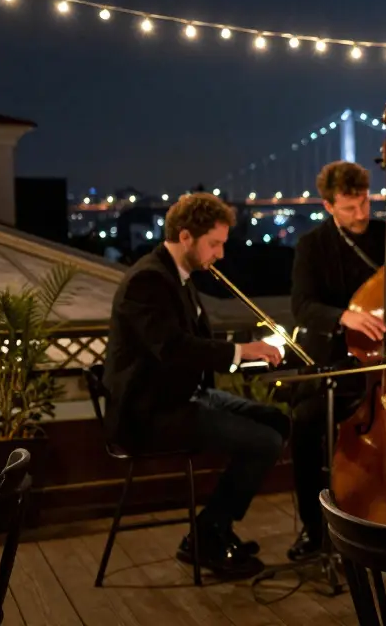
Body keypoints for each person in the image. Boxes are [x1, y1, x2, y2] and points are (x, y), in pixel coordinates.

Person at [103, 193, 288, 579]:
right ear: (186, 237)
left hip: (180, 397)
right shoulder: (149, 280)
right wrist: (240, 350)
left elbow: (194, 345)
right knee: (265, 441)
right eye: (214, 244)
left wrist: (253, 354)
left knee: (276, 422)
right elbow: (172, 349)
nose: (220, 254)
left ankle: (215, 528)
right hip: (149, 413)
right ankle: (206, 535)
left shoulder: (179, 277)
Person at [286, 160, 386, 560]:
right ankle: (313, 528)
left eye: (364, 203)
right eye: (349, 207)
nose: (360, 214)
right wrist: (343, 316)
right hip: (345, 366)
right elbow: (303, 306)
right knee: (305, 423)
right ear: (328, 206)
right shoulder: (313, 245)